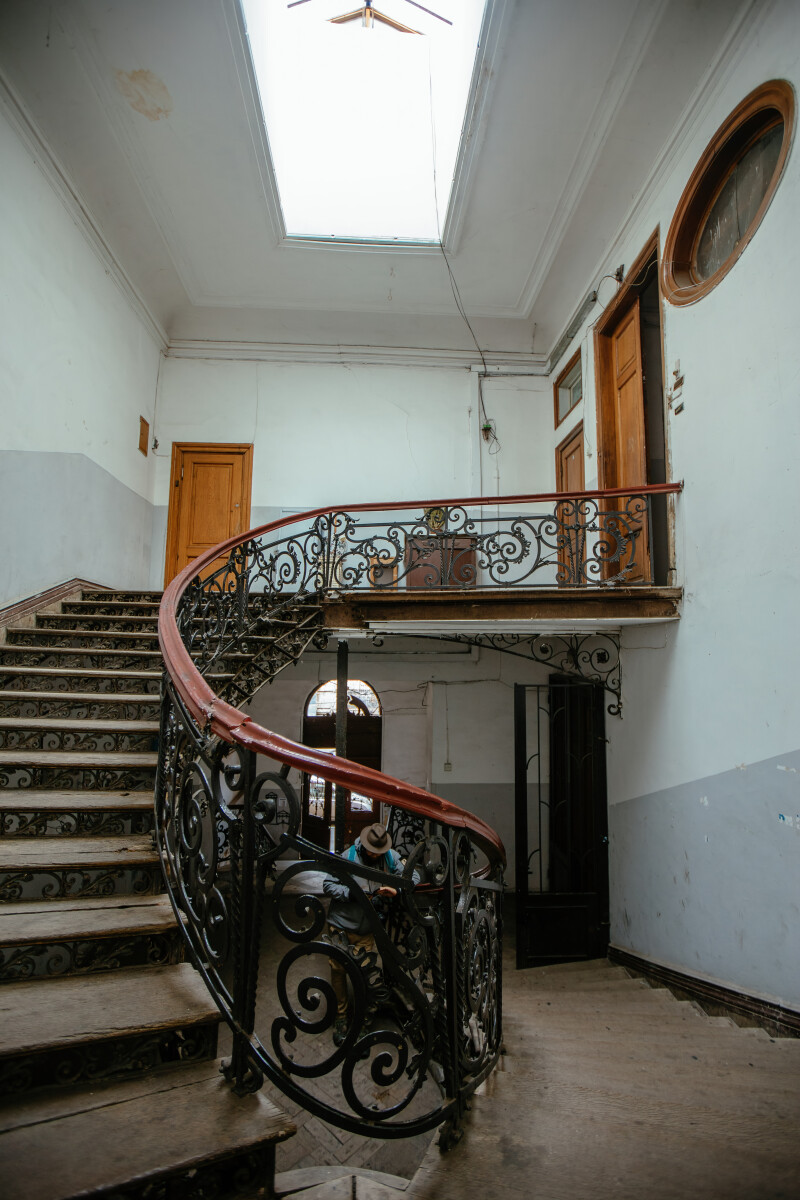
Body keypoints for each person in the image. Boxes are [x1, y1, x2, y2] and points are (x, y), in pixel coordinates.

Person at [323, 822, 405, 1046]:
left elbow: (411, 875)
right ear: (365, 845)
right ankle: (341, 1017)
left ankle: (362, 1019)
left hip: (366, 929)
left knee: (364, 975)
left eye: (378, 852)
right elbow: (328, 884)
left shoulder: (389, 857)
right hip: (340, 925)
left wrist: (396, 890)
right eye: (371, 851)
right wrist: (352, 894)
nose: (375, 855)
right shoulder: (347, 856)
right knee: (338, 971)